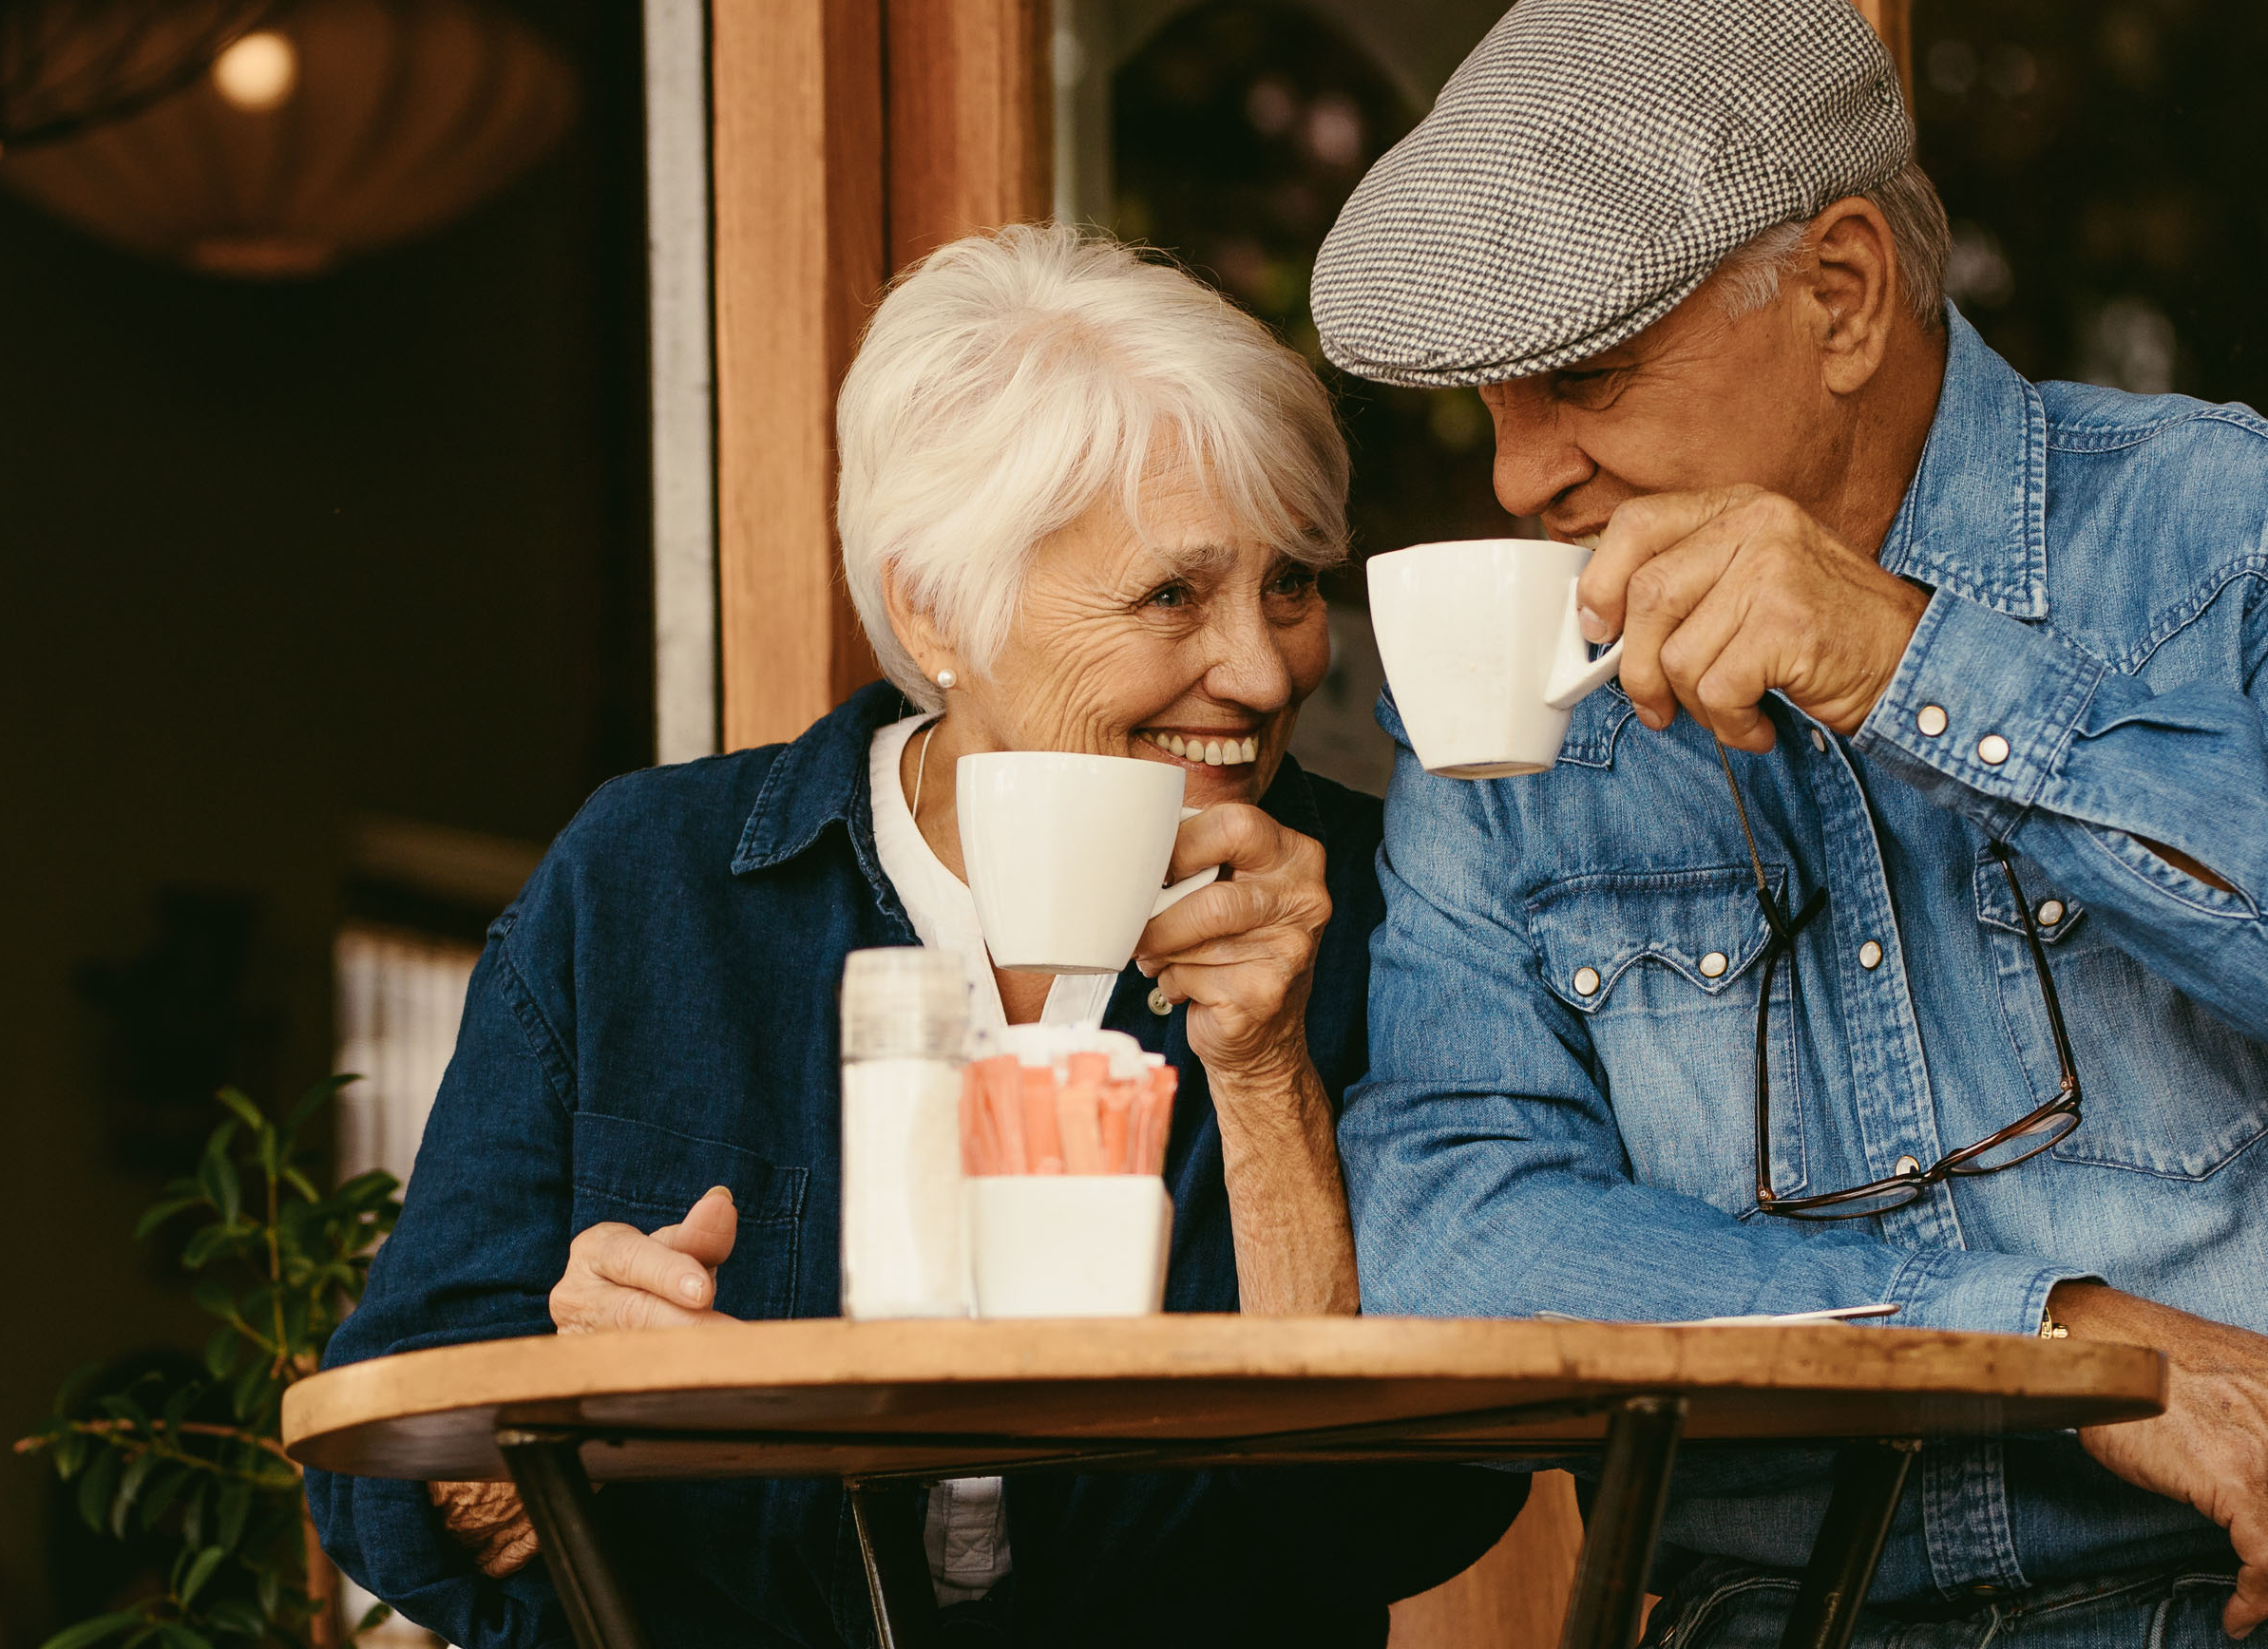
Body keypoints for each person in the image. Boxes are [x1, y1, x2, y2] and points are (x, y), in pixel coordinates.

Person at [304, 225, 1524, 1649]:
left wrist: (1264, 1083)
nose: (1264, 673)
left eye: (1294, 583)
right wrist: (556, 1416)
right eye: (1172, 594)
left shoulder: (1391, 902)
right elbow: (391, 1473)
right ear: (935, 603)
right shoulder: (653, 885)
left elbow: (1392, 1520)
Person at [1313, 1, 2268, 1643]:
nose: (1518, 475)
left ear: (1840, 296)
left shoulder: (2219, 533)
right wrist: (2035, 1343)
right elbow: (1449, 1238)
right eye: (1490, 400)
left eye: (1581, 377)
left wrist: (1915, 668)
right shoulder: (1522, 691)